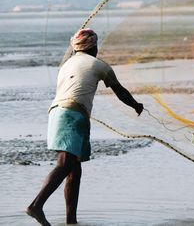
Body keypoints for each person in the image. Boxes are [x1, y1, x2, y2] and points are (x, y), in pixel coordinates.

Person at [26, 29, 143, 226]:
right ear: (94, 47)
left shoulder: (66, 65)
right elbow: (120, 92)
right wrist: (136, 105)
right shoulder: (99, 65)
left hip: (57, 113)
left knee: (74, 169)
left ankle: (71, 221)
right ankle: (36, 205)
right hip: (72, 115)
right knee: (64, 164)